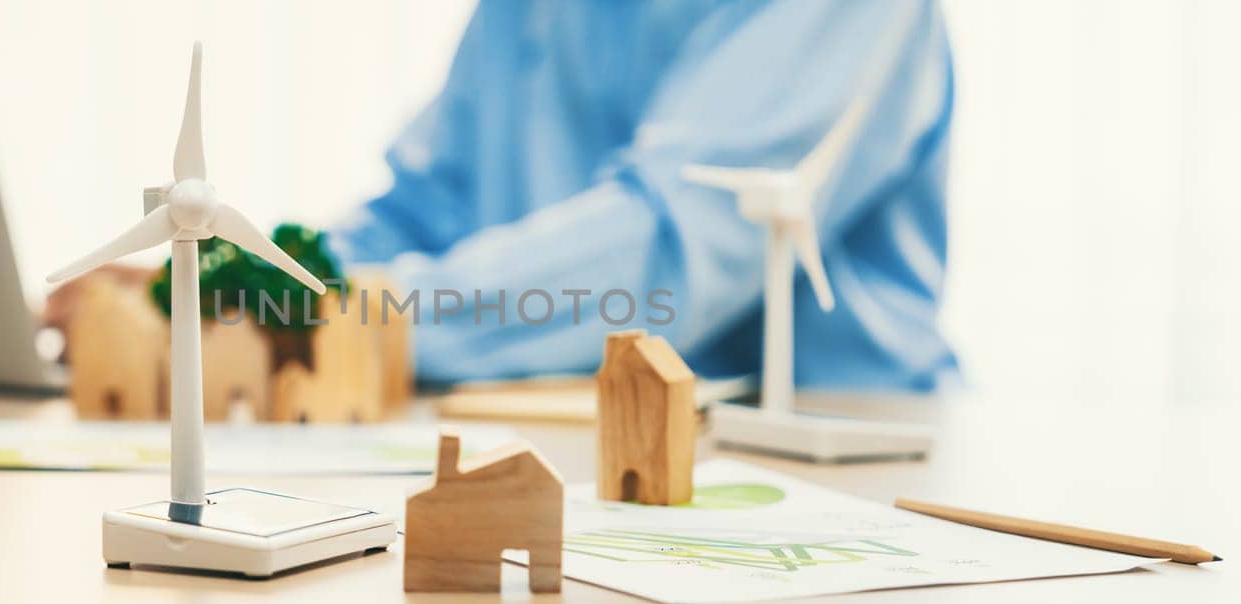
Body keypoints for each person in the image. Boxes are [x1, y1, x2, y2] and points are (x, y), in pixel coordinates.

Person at [329, 0, 958, 390]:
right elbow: (424, 208)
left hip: (845, 463)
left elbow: (666, 257)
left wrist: (362, 320)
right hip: (557, 432)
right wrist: (264, 280)